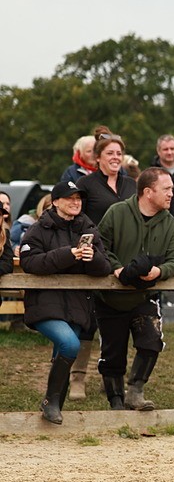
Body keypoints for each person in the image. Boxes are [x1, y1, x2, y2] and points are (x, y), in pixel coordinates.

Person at [16, 181, 112, 423]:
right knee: (70, 345)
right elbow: (30, 262)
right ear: (56, 201)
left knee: (62, 353)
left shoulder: (88, 227)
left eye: (79, 198)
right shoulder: (39, 229)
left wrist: (93, 258)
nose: (75, 202)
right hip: (46, 304)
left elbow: (105, 267)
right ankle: (51, 402)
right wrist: (67, 254)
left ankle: (54, 408)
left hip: (77, 306)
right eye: (70, 198)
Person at [95, 168, 174, 410]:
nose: (171, 194)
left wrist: (159, 271)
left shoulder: (170, 223)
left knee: (151, 341)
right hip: (110, 296)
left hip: (145, 294)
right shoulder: (117, 212)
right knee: (113, 353)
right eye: (166, 189)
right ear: (148, 192)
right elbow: (100, 245)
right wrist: (116, 268)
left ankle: (135, 391)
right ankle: (115, 401)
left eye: (172, 190)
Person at [75, 128, 136, 400]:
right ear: (97, 158)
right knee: (88, 320)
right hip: (95, 259)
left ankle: (112, 377)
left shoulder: (132, 185)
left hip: (126, 259)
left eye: (119, 153)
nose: (115, 157)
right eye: (110, 153)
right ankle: (77, 378)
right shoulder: (86, 185)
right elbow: (77, 220)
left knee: (117, 322)